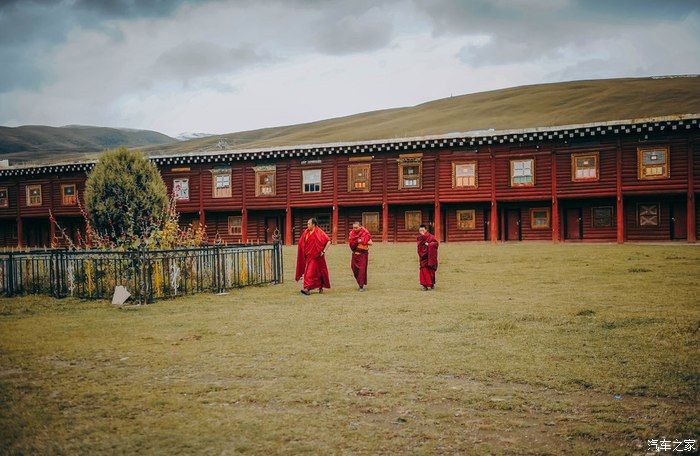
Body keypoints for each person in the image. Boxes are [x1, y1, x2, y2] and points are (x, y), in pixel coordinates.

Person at [295, 218, 331, 295]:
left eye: (309, 224)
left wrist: (324, 251)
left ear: (313, 224)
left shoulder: (319, 232)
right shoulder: (306, 232)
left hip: (317, 256)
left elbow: (328, 241)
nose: (307, 225)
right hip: (308, 256)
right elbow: (301, 242)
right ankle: (320, 286)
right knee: (317, 272)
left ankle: (307, 288)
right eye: (307, 224)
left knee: (310, 272)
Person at [348, 221, 372, 291]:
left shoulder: (365, 233)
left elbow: (371, 242)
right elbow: (351, 242)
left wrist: (361, 241)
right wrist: (356, 241)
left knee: (362, 270)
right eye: (353, 228)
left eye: (356, 228)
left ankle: (361, 286)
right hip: (355, 254)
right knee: (354, 268)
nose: (355, 229)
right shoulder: (351, 233)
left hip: (363, 254)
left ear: (360, 227)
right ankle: (360, 282)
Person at [416, 224, 439, 291]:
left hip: (430, 257)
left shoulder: (431, 237)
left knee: (430, 271)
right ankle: (424, 285)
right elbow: (419, 248)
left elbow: (436, 244)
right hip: (423, 257)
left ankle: (431, 284)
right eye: (420, 230)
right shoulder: (420, 238)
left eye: (423, 230)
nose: (421, 232)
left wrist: (429, 245)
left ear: (426, 230)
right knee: (423, 271)